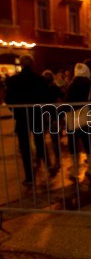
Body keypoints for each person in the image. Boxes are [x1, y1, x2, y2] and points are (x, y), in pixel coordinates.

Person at [5, 54, 49, 186]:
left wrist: (16, 111)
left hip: (22, 117)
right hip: (36, 115)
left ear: (22, 65)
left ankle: (29, 176)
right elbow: (45, 98)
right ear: (32, 64)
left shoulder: (13, 80)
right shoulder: (40, 80)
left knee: (24, 146)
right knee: (39, 141)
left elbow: (8, 100)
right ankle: (44, 165)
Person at [64, 63, 91, 182]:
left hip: (73, 118)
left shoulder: (72, 84)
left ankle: (75, 169)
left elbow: (67, 102)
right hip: (86, 116)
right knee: (88, 141)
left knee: (73, 142)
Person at [41, 69, 65, 176]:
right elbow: (62, 97)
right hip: (54, 115)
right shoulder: (55, 88)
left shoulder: (41, 89)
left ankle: (46, 161)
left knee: (42, 139)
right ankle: (57, 159)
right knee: (54, 139)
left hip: (43, 115)